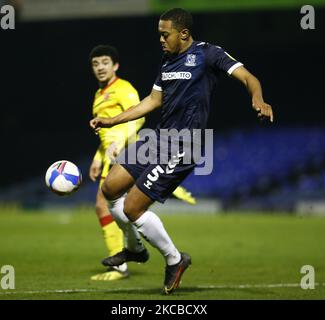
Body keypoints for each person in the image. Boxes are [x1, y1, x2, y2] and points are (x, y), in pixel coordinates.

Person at [90, 8, 274, 294]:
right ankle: (135, 249)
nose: (161, 40)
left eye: (165, 34)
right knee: (110, 187)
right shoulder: (167, 61)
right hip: (160, 138)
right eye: (159, 35)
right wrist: (111, 120)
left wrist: (258, 99)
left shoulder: (209, 54)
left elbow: (250, 78)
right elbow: (151, 101)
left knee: (133, 207)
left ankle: (174, 260)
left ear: (184, 33)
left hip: (186, 143)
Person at [88, 44, 196, 281]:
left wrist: (119, 141)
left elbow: (137, 118)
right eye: (95, 64)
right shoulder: (99, 95)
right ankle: (133, 250)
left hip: (129, 152)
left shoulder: (123, 88)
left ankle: (125, 261)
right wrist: (98, 158)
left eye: (105, 62)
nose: (100, 67)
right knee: (112, 203)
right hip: (110, 156)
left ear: (115, 65)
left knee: (111, 204)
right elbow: (104, 136)